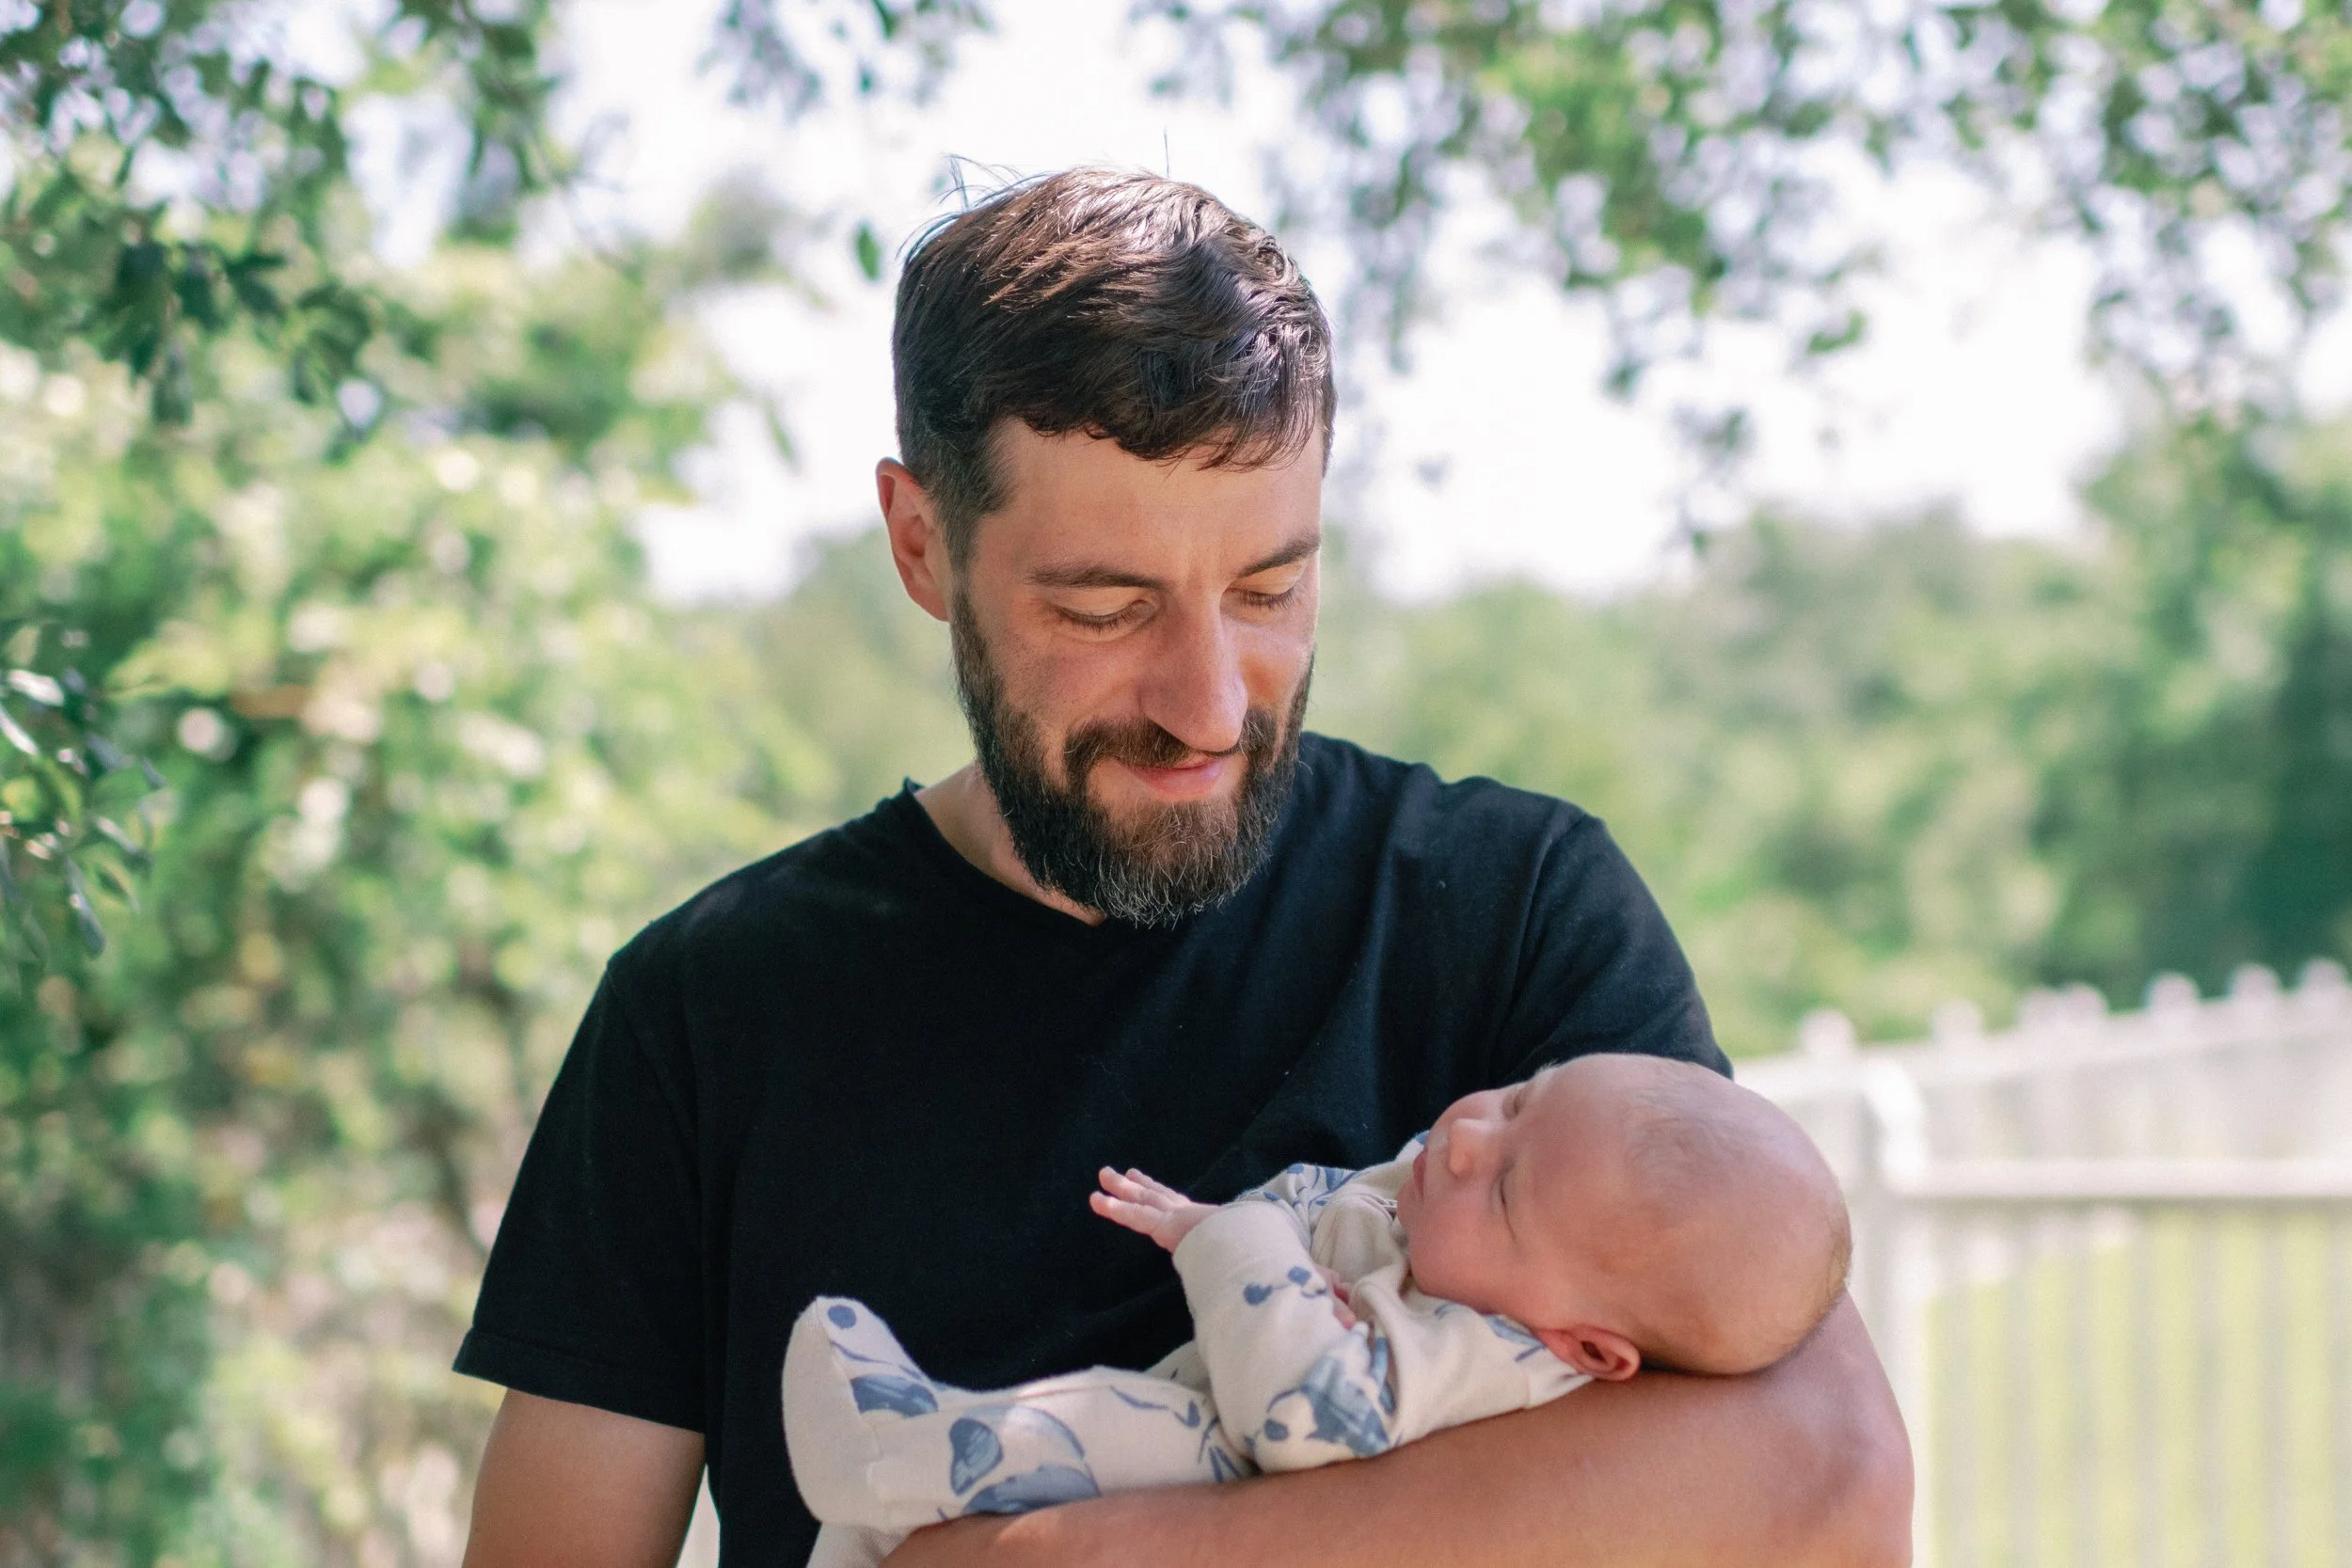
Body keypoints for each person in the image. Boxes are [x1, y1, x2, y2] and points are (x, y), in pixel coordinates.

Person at [455, 167, 1911, 1568]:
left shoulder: (1513, 904)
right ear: (922, 545)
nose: (1211, 703)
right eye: (1107, 604)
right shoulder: (703, 1013)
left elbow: (1827, 1494)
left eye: (1270, 589)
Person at [783, 1053, 1854, 1568]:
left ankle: (888, 1449)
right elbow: (1329, 1205)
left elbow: (1305, 1416)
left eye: (1510, 1185)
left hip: (1229, 1466)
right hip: (1209, 1454)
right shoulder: (1471, 1247)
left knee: (1091, 1425)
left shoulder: (1493, 1354)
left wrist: (1224, 1236)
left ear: (1585, 1344)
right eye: (1525, 1092)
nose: (1472, 1134)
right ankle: (886, 1477)